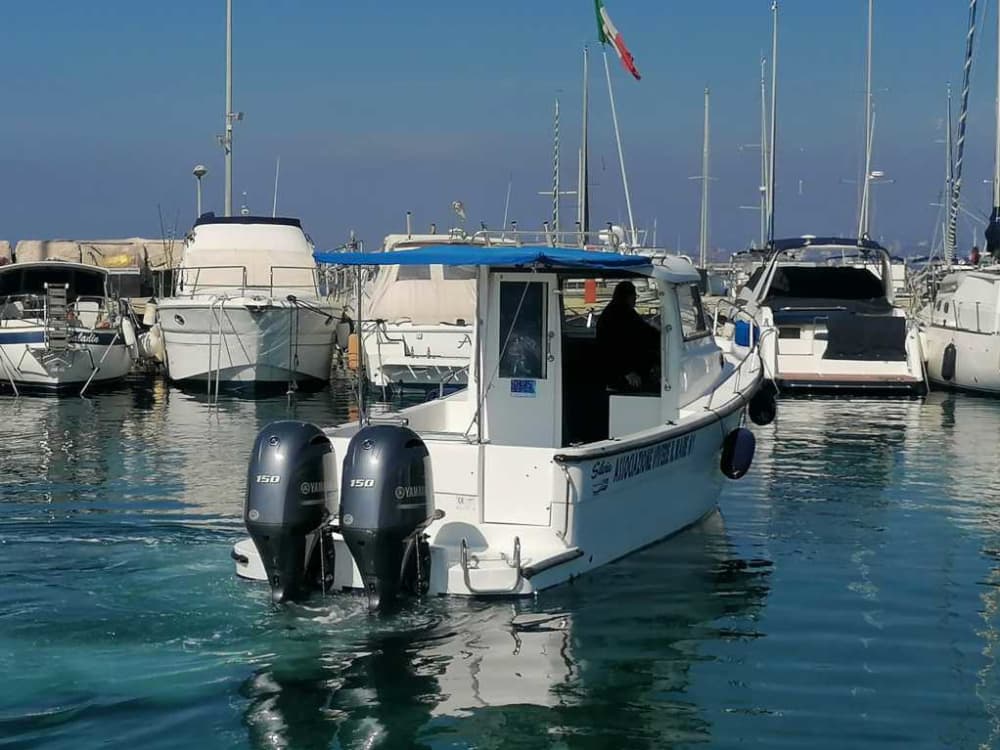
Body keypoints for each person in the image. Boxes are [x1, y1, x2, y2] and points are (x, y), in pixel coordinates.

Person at [596, 280, 660, 391]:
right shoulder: (619, 314)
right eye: (634, 295)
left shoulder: (621, 311)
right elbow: (610, 348)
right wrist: (626, 371)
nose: (635, 299)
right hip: (620, 371)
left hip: (624, 367)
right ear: (627, 296)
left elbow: (645, 331)